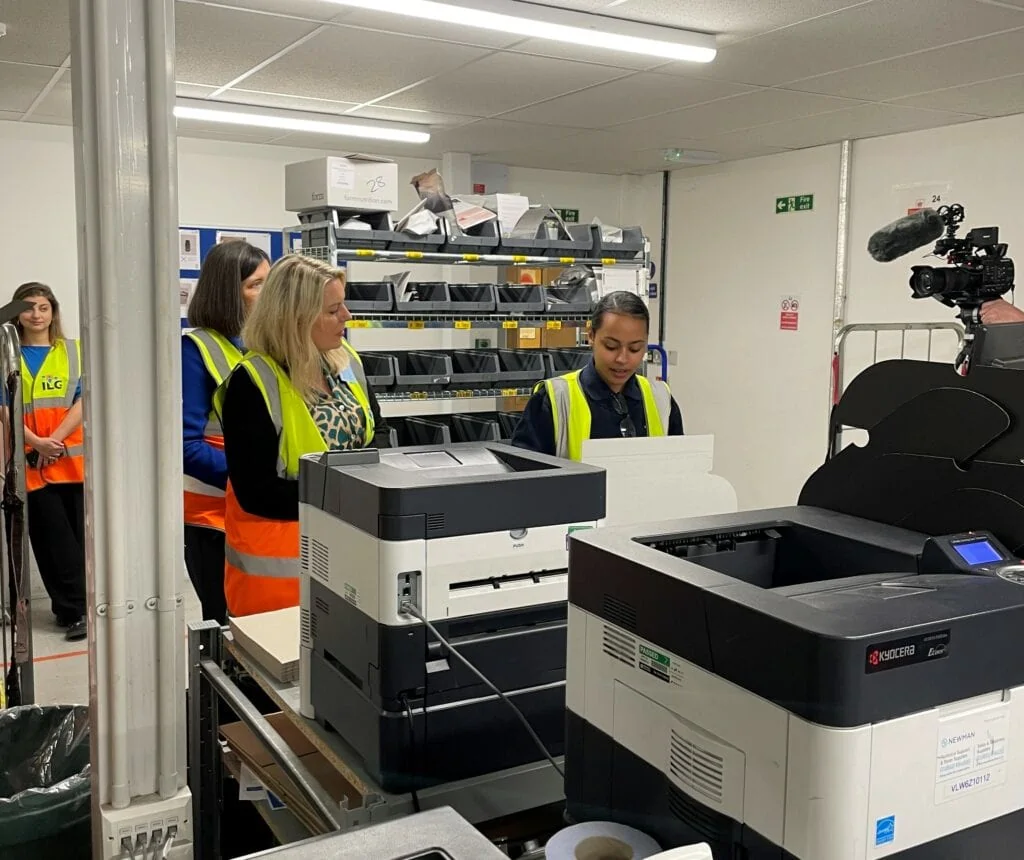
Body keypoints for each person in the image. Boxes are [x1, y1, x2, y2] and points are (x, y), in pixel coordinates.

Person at [217, 255, 387, 617]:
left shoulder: (346, 360)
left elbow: (379, 430)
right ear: (295, 318)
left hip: (350, 560)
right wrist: (348, 496)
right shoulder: (252, 383)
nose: (347, 317)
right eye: (333, 310)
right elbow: (257, 492)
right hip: (280, 582)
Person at [182, 240, 269, 624]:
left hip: (261, 512)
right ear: (227, 293)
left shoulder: (260, 348)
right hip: (214, 521)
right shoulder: (195, 351)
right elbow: (185, 446)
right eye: (256, 285)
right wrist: (252, 477)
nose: (268, 295)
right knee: (227, 629)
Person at [512, 291, 683, 460]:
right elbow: (526, 479)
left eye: (635, 349)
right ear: (591, 336)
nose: (622, 359)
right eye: (611, 346)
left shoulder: (661, 399)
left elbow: (680, 468)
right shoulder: (554, 399)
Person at [11, 283, 86, 641]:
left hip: (73, 463)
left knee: (79, 542)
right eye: (28, 308)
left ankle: (70, 608)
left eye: (43, 307)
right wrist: (36, 442)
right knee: (52, 542)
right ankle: (74, 611)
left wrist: (52, 440)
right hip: (31, 464)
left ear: (53, 311)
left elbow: (85, 400)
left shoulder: (75, 350)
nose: (36, 315)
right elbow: (3, 408)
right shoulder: (6, 355)